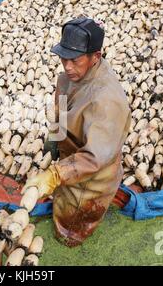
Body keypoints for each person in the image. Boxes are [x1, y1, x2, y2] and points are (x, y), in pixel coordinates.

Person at [21, 17, 131, 247]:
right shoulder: (68, 77)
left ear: (95, 57)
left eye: (75, 60)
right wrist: (55, 136)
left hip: (92, 176)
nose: (67, 66)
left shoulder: (105, 100)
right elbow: (61, 108)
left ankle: (70, 235)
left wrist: (55, 174)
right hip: (72, 157)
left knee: (71, 224)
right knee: (63, 194)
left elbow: (94, 158)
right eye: (63, 58)